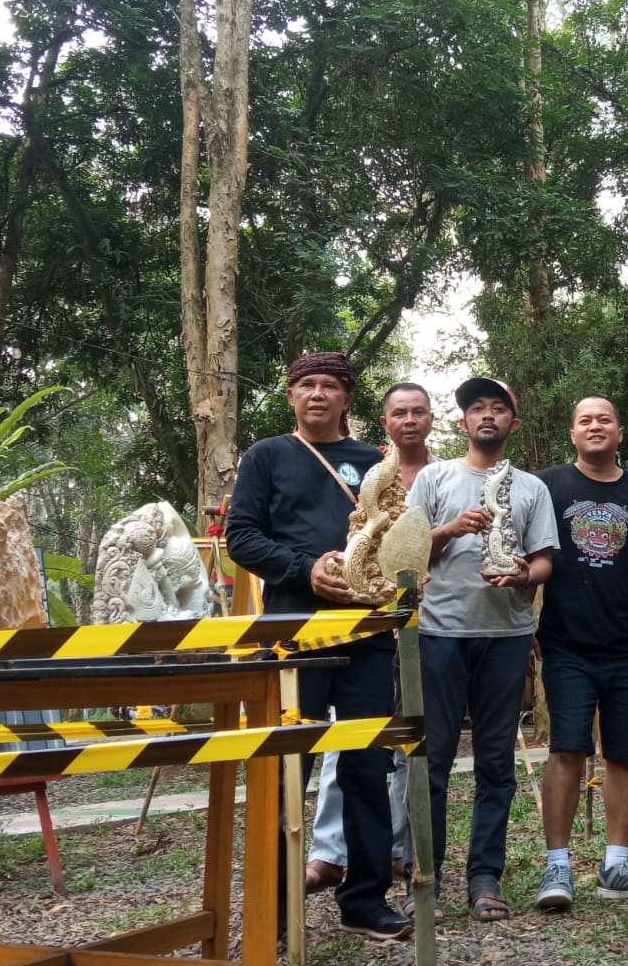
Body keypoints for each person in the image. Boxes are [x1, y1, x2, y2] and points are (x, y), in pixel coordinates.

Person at [225, 352, 410, 942]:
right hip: (293, 632)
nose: (318, 395)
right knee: (287, 765)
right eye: (307, 385)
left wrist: (402, 569)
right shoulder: (267, 457)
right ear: (291, 396)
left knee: (365, 765)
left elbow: (394, 534)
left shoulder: (374, 463)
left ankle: (365, 899)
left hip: (366, 634)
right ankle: (276, 905)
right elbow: (242, 538)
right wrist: (306, 570)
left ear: (347, 398)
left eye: (330, 386)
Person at [406, 377, 558, 922]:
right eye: (477, 409)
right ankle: (426, 878)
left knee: (496, 763)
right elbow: (406, 547)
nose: (487, 416)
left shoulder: (532, 489)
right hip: (440, 633)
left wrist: (524, 578)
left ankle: (485, 877)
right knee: (435, 760)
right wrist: (449, 528)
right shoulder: (434, 477)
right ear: (464, 421)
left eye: (498, 409)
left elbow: (544, 560)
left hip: (506, 637)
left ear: (512, 423)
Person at [532, 397, 628, 910]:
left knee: (625, 752)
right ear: (573, 433)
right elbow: (530, 551)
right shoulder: (548, 485)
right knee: (566, 749)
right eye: (585, 420)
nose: (595, 426)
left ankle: (616, 864)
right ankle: (557, 867)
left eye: (604, 419)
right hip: (565, 642)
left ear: (620, 431)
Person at [306, 382, 435, 893]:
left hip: (434, 621)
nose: (409, 420)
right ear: (384, 422)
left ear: (431, 418)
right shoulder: (367, 472)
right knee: (352, 740)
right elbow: (359, 537)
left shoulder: (446, 474)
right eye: (398, 412)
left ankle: (400, 848)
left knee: (409, 736)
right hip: (370, 620)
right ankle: (331, 851)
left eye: (418, 412)